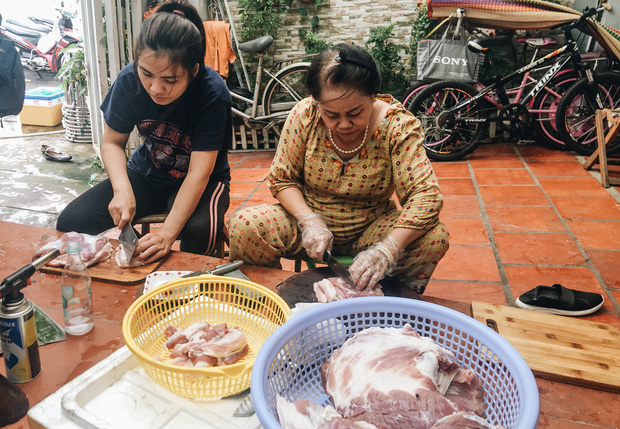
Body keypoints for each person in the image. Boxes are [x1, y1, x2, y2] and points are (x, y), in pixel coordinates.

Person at [228, 44, 449, 293]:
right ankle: (267, 302)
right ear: (316, 101)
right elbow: (282, 179)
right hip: (308, 225)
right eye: (331, 114)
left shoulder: (397, 127)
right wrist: (309, 221)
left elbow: (426, 197)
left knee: (434, 238)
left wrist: (387, 249)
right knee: (245, 226)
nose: (344, 124)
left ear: (373, 96)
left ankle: (385, 303)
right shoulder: (304, 116)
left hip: (371, 228)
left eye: (355, 112)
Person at [57, 0, 232, 264]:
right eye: (146, 73)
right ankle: (139, 262)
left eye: (170, 79)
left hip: (204, 181)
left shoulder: (212, 93)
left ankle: (187, 290)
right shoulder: (129, 80)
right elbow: (112, 143)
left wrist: (167, 234)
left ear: (193, 71)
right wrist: (122, 189)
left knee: (199, 231)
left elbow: (200, 172)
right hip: (148, 172)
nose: (155, 88)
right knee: (72, 221)